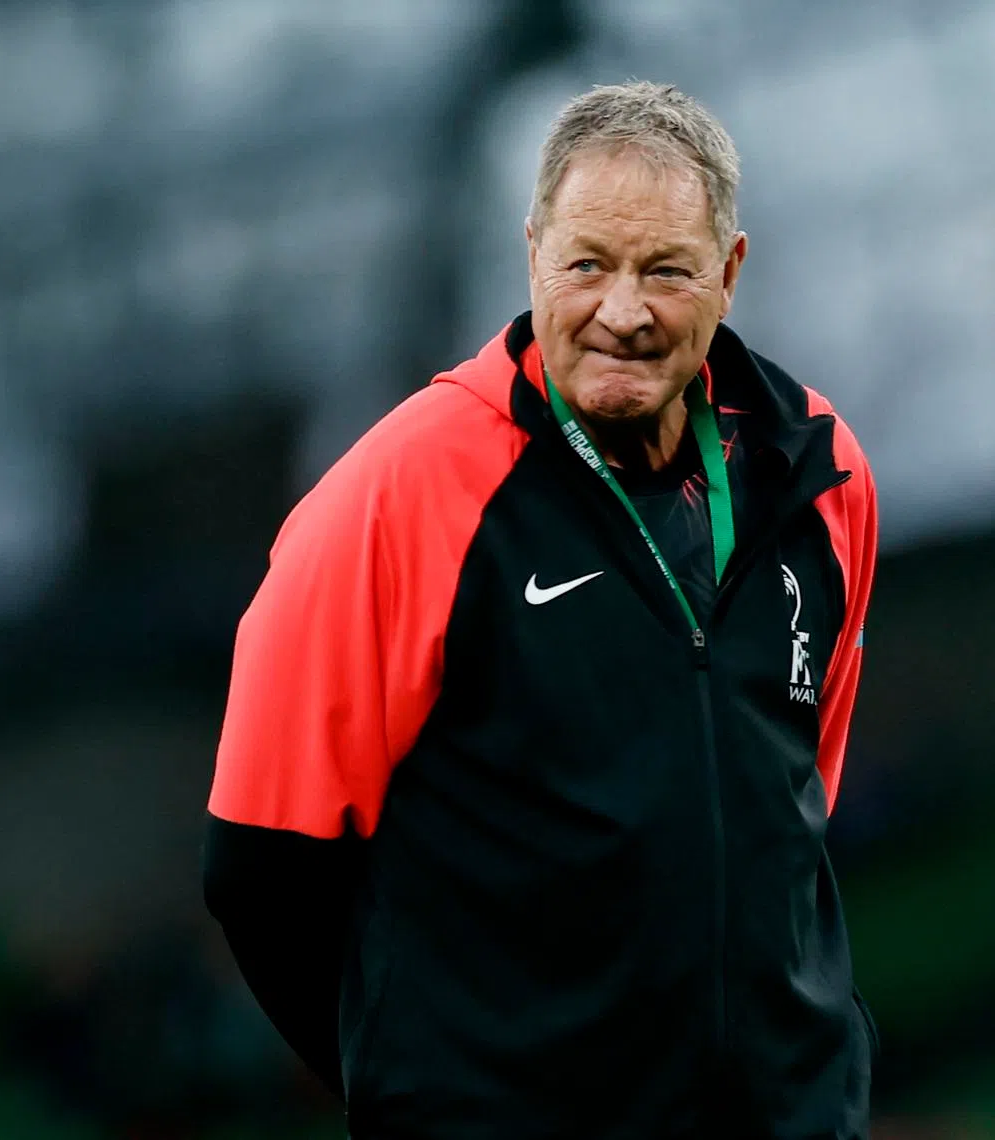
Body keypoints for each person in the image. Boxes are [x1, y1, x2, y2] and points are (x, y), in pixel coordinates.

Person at [203, 81, 878, 1139]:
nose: (624, 311)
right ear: (532, 254)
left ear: (731, 273)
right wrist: (434, 1091)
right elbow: (261, 867)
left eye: (666, 269)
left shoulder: (823, 476)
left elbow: (795, 802)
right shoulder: (394, 497)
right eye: (588, 264)